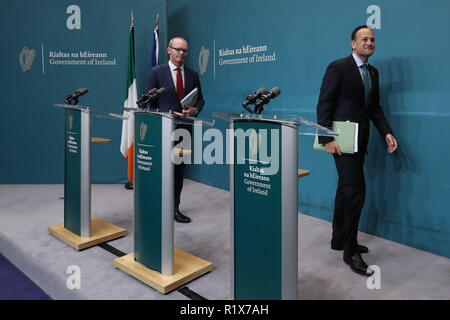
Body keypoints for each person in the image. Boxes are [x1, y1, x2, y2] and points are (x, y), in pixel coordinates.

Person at [316, 25, 398, 276]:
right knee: (355, 192)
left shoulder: (373, 72)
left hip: (360, 142)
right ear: (353, 43)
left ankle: (338, 237)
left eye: (372, 39)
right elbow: (325, 104)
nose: (369, 43)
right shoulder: (337, 67)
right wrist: (325, 138)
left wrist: (386, 131)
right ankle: (350, 250)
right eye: (364, 39)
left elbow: (374, 108)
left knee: (346, 189)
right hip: (340, 141)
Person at [146, 36, 205, 223]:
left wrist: (195, 109)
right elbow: (147, 102)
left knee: (179, 171)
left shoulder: (193, 74)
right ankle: (157, 207)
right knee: (161, 171)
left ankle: (174, 209)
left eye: (184, 50)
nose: (181, 53)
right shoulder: (156, 73)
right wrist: (170, 113)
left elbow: (201, 99)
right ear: (168, 50)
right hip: (162, 131)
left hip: (184, 131)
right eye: (177, 49)